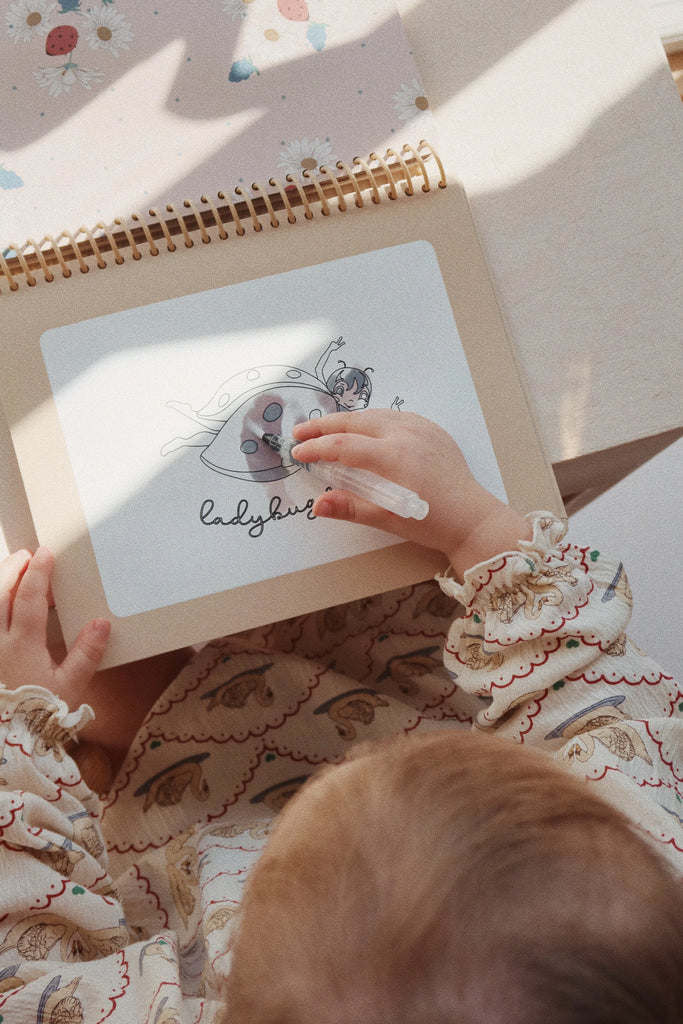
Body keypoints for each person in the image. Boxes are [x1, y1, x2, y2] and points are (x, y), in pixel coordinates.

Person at [0, 410, 680, 1023]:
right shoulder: (644, 881)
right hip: (435, 694)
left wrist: (30, 731)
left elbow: (30, 974)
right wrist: (479, 532)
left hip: (193, 785)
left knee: (66, 625)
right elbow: (593, 701)